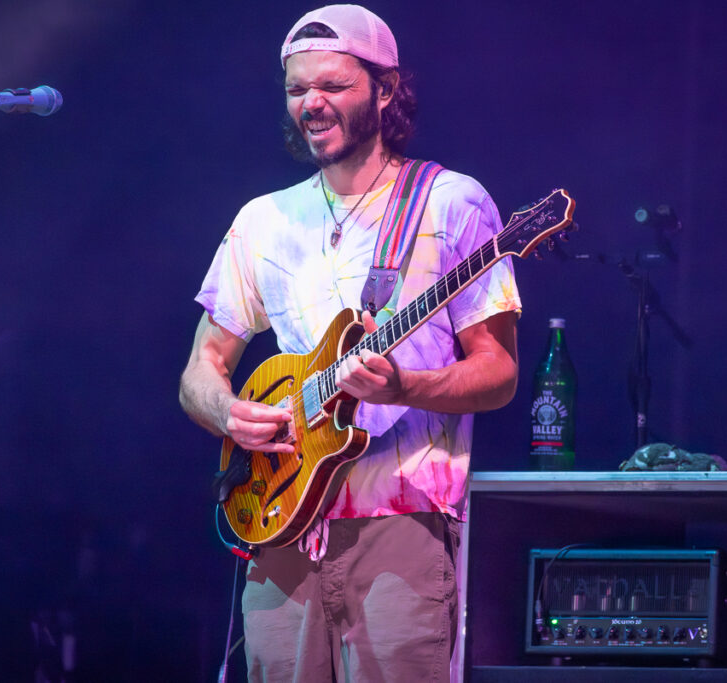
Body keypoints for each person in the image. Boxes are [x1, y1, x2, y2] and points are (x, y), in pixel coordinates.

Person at [179, 5, 521, 681]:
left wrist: (406, 387)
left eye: (332, 85)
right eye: (297, 89)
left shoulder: (450, 203)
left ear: (386, 89)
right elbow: (201, 368)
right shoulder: (264, 220)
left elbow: (499, 371)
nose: (312, 103)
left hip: (400, 526)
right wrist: (228, 413)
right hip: (277, 524)